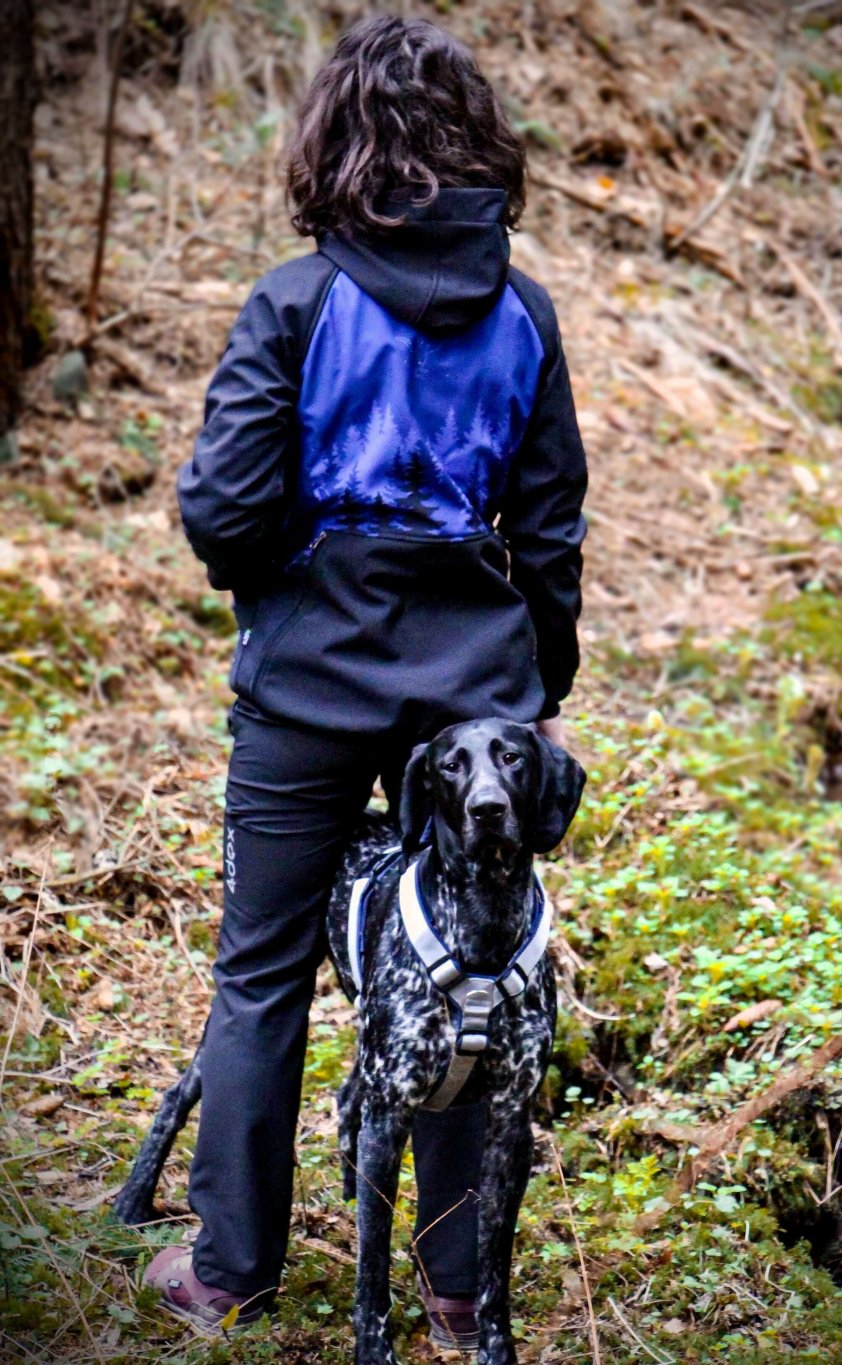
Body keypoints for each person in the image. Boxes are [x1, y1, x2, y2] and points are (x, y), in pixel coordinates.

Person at [143, 14, 587, 1344]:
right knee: (473, 964)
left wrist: (302, 572)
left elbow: (223, 514)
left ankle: (229, 1271)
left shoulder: (297, 301)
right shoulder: (525, 311)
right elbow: (552, 526)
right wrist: (522, 686)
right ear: (474, 146)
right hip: (473, 700)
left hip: (306, 683)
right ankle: (458, 1297)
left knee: (266, 966)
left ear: (335, 144)